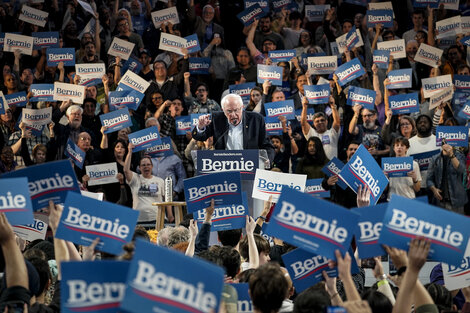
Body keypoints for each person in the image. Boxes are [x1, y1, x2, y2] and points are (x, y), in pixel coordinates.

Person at [192, 93, 274, 162]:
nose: (233, 115)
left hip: (248, 165)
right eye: (229, 111)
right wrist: (200, 126)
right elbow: (199, 136)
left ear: (242, 108)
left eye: (236, 110)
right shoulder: (217, 119)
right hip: (224, 165)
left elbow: (267, 145)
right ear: (223, 110)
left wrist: (267, 159)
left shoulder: (256, 119)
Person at [124, 142, 165, 224]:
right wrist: (129, 152)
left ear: (152, 166)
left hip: (157, 218)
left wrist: (170, 215)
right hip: (138, 219)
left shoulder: (160, 181)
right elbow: (126, 170)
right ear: (139, 168)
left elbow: (166, 201)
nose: (146, 167)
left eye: (148, 164)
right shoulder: (135, 179)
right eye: (143, 165)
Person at [427, 141, 467, 214]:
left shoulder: (459, 156)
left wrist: (451, 155)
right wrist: (434, 189)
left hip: (456, 201)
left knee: (458, 224)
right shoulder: (435, 158)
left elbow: (461, 170)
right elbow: (429, 179)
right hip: (440, 201)